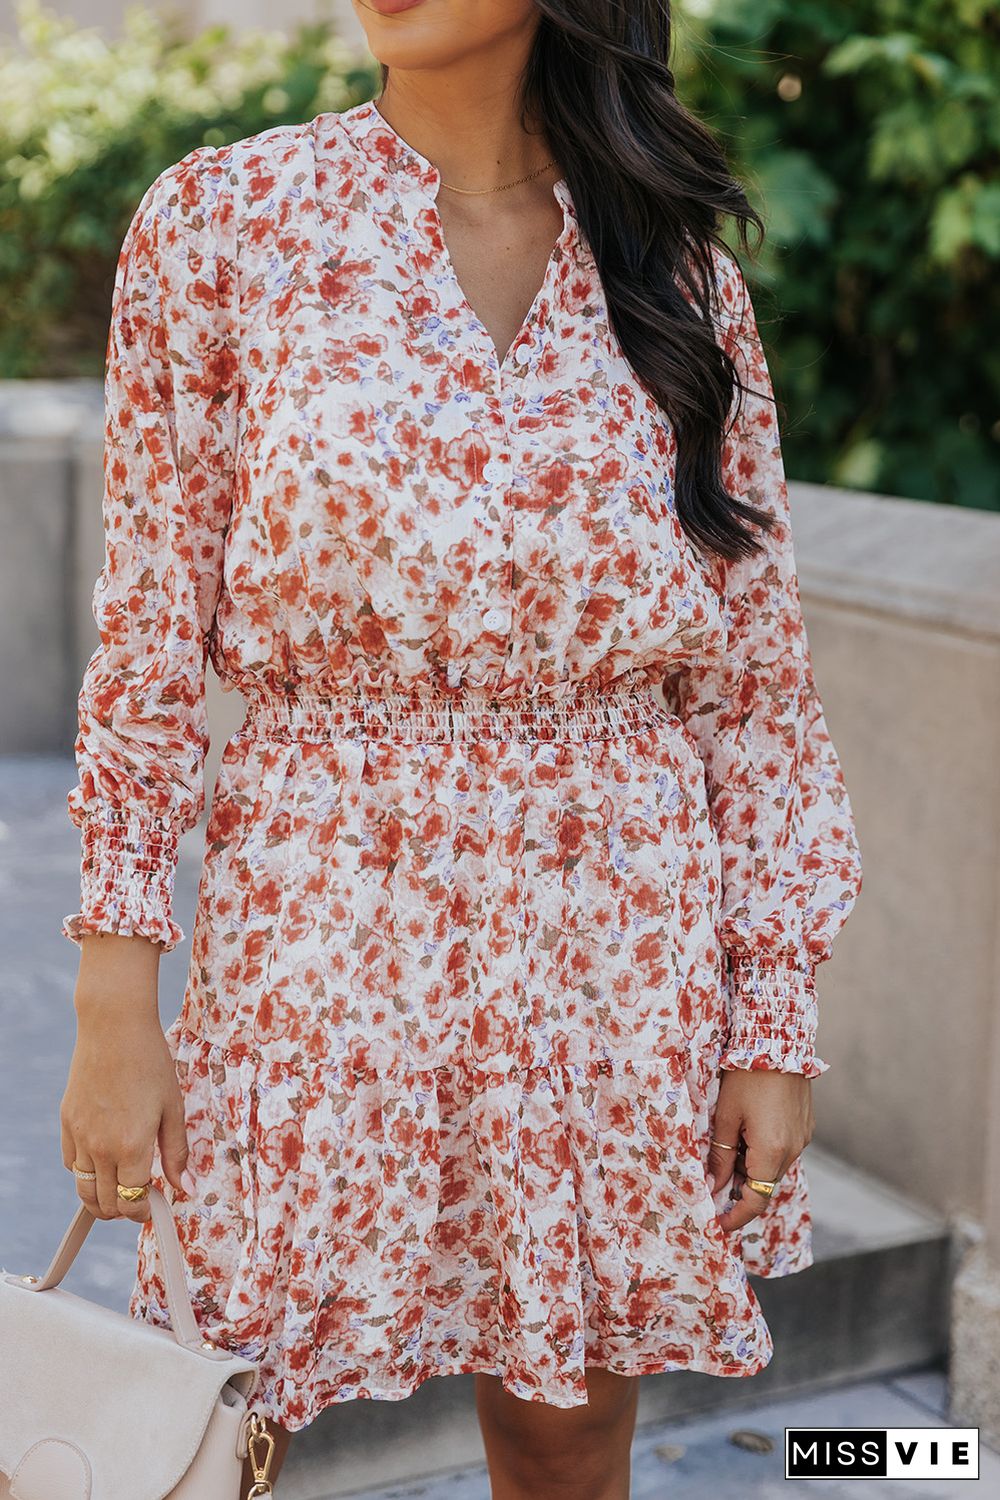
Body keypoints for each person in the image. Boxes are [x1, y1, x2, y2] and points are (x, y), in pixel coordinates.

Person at [58, 1, 864, 1495]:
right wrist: (118, 990)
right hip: (321, 911)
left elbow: (754, 687)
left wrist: (772, 1023)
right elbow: (150, 630)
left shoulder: (680, 275)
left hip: (615, 931)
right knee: (227, 1400)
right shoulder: (228, 221)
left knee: (567, 1431)